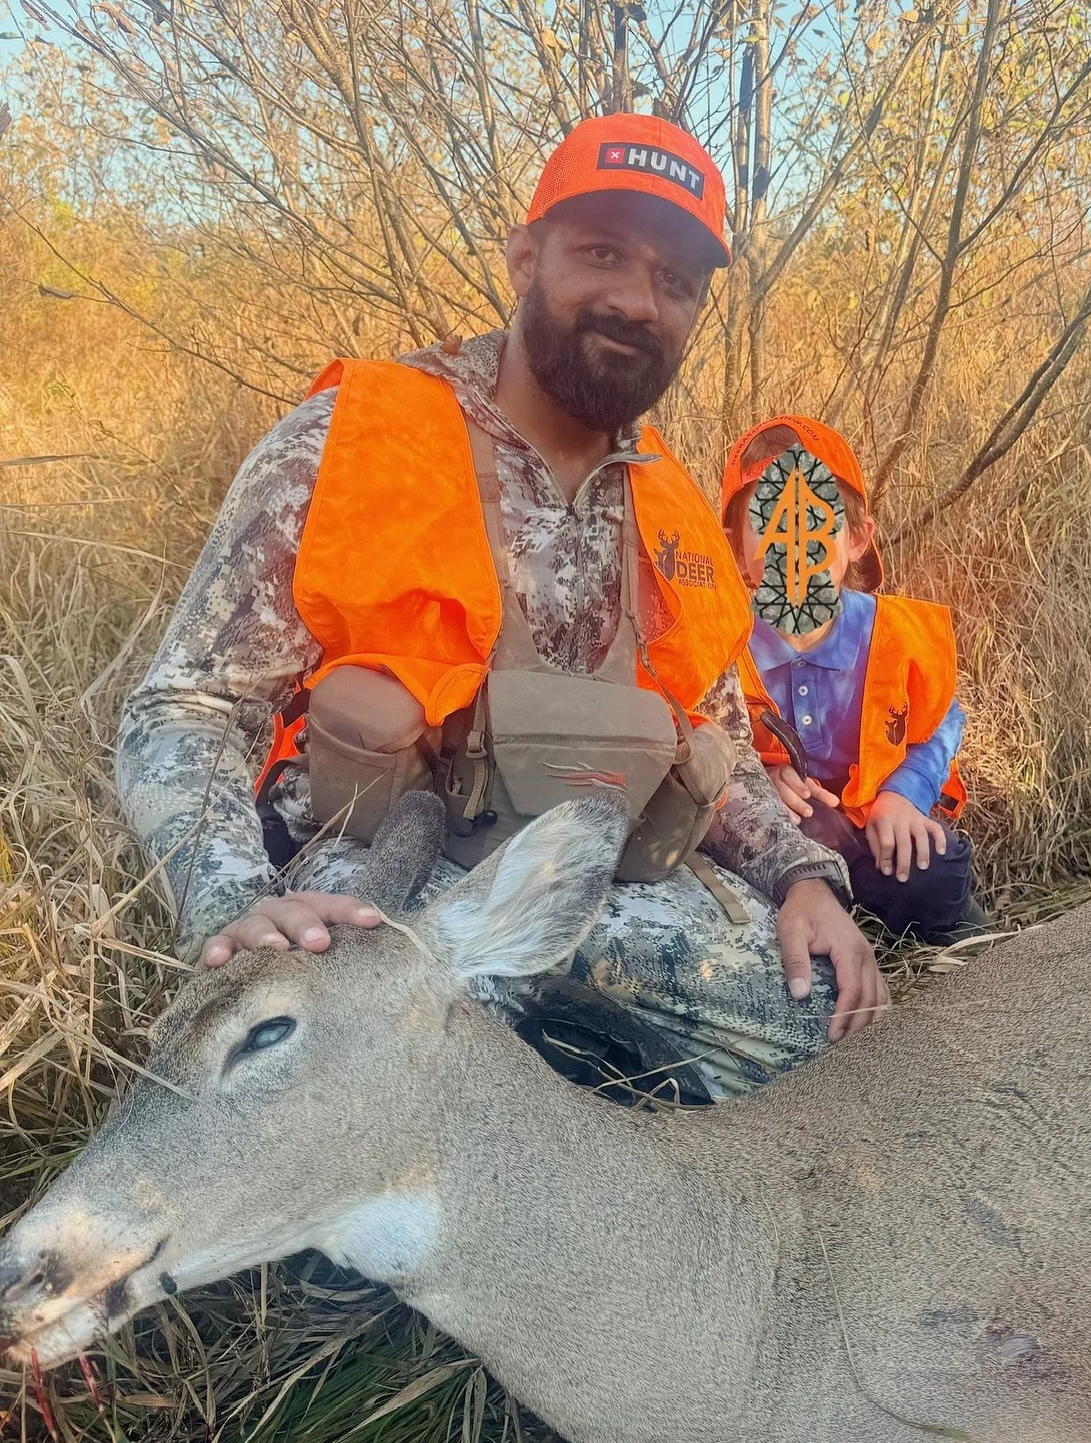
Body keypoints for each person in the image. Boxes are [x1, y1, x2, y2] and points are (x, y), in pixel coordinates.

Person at [117, 115, 889, 1103]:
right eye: (601, 252)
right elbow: (186, 705)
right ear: (526, 255)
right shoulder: (358, 437)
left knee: (828, 1013)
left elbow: (720, 746)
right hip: (383, 891)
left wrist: (803, 877)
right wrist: (233, 904)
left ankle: (557, 1094)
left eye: (676, 280)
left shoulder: (678, 512)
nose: (634, 299)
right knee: (313, 1074)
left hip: (608, 882)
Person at [720, 416, 985, 945]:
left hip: (874, 824)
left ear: (859, 537)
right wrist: (756, 783)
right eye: (769, 520)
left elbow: (939, 724)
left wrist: (903, 797)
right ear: (734, 544)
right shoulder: (721, 641)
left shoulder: (892, 634)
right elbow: (700, 738)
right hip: (782, 831)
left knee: (938, 875)